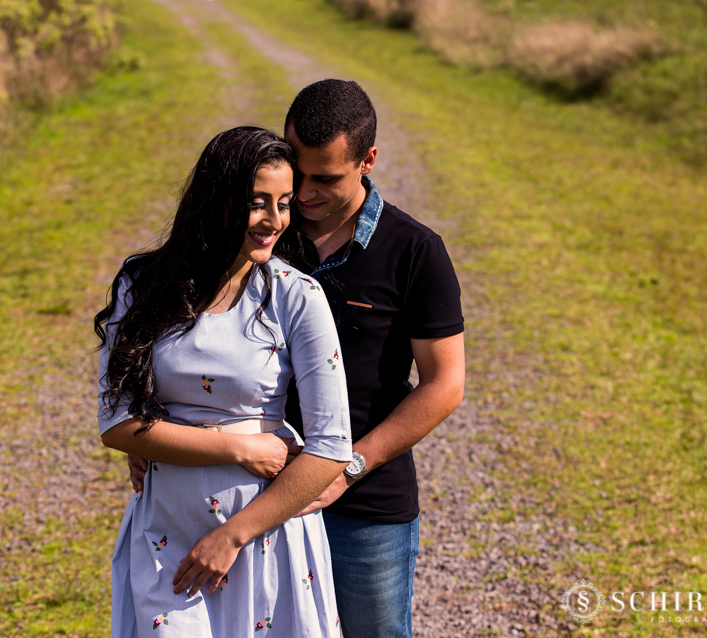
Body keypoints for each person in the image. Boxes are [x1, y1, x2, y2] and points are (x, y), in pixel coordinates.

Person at [95, 126, 352, 638]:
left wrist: (231, 538)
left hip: (266, 540)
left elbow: (331, 448)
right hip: (167, 534)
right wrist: (239, 448)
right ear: (217, 198)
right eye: (258, 203)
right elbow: (117, 423)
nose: (275, 220)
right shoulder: (141, 282)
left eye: (283, 203)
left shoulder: (297, 296)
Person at [278, 79, 466, 638]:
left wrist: (349, 467)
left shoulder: (415, 250)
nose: (304, 192)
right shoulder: (261, 233)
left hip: (364, 508)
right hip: (250, 492)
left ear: (369, 160)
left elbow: (444, 384)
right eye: (296, 170)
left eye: (326, 178)